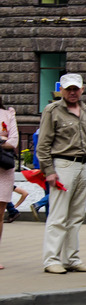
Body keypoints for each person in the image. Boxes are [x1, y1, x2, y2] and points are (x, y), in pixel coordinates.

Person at [37, 73, 86, 274]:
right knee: (58, 215)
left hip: (83, 166)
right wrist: (49, 171)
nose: (72, 92)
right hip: (63, 165)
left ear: (82, 89)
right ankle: (51, 259)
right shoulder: (52, 110)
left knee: (76, 216)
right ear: (61, 91)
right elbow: (44, 143)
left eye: (76, 89)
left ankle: (72, 258)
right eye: (68, 89)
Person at [0, 93, 18, 267]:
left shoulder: (7, 115)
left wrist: (2, 140)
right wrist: (1, 140)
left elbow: (13, 141)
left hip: (3, 170)